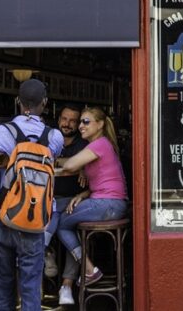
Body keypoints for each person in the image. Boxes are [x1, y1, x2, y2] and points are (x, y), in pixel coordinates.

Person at [0, 79, 64, 311]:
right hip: (36, 219)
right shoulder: (55, 138)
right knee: (31, 288)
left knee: (2, 287)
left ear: (18, 102)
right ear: (45, 103)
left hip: (3, 215)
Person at [55, 107, 129, 293]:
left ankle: (88, 269)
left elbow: (70, 165)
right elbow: (102, 180)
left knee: (63, 222)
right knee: (55, 205)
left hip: (107, 204)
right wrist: (82, 194)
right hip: (107, 203)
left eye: (85, 122)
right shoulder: (100, 145)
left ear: (100, 124)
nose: (80, 126)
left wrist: (56, 165)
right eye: (80, 122)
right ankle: (55, 261)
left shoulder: (99, 144)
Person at [44, 104, 88, 305]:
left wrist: (77, 164)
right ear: (58, 118)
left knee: (61, 219)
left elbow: (86, 162)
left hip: (75, 199)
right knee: (56, 216)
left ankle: (46, 252)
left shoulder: (84, 143)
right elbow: (40, 159)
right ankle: (65, 286)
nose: (67, 124)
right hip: (49, 199)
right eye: (64, 119)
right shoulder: (49, 138)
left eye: (72, 120)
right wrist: (73, 163)